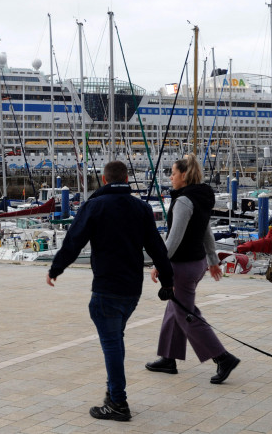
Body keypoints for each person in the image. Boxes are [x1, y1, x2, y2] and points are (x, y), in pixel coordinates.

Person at [46, 160, 174, 422]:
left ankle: (117, 402)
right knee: (116, 339)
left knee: (112, 343)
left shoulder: (94, 206)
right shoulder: (141, 207)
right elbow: (157, 247)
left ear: (104, 181)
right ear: (127, 179)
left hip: (106, 288)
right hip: (131, 290)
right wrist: (168, 282)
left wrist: (56, 269)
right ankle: (112, 394)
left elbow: (73, 241)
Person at [145, 154, 241, 384]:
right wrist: (212, 259)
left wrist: (160, 263)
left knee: (187, 314)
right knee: (175, 309)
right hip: (196, 263)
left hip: (183, 266)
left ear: (184, 176)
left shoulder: (184, 201)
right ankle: (169, 357)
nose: (170, 177)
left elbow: (174, 238)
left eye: (173, 173)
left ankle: (222, 358)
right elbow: (206, 229)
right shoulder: (200, 197)